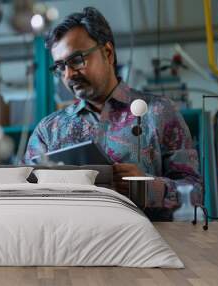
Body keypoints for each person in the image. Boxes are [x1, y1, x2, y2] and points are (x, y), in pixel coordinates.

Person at [23, 7, 202, 220]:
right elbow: (27, 198)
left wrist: (147, 188)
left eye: (77, 60)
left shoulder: (160, 112)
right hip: (74, 248)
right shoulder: (48, 131)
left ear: (108, 53)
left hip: (145, 246)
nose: (69, 74)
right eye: (61, 67)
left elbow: (195, 193)